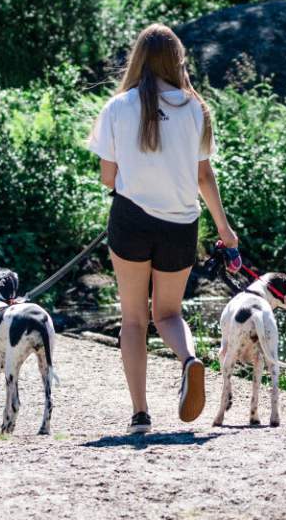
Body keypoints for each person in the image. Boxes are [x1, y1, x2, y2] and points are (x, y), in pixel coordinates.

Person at [86, 23, 239, 433]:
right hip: (180, 224)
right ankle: (189, 360)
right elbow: (204, 177)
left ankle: (140, 414)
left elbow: (107, 177)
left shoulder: (117, 107)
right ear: (177, 61)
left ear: (137, 59)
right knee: (168, 313)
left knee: (134, 319)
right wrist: (225, 231)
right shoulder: (196, 109)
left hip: (131, 219)